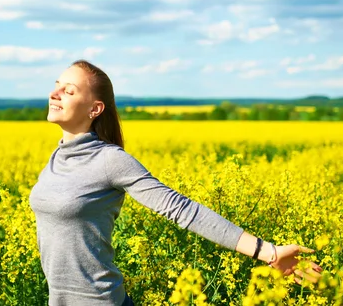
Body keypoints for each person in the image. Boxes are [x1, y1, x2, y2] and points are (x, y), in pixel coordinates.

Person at [28, 59, 323, 306]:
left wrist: (268, 251)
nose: (55, 94)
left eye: (68, 91)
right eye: (56, 87)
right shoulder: (57, 157)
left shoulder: (110, 160)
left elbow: (182, 209)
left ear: (95, 109)